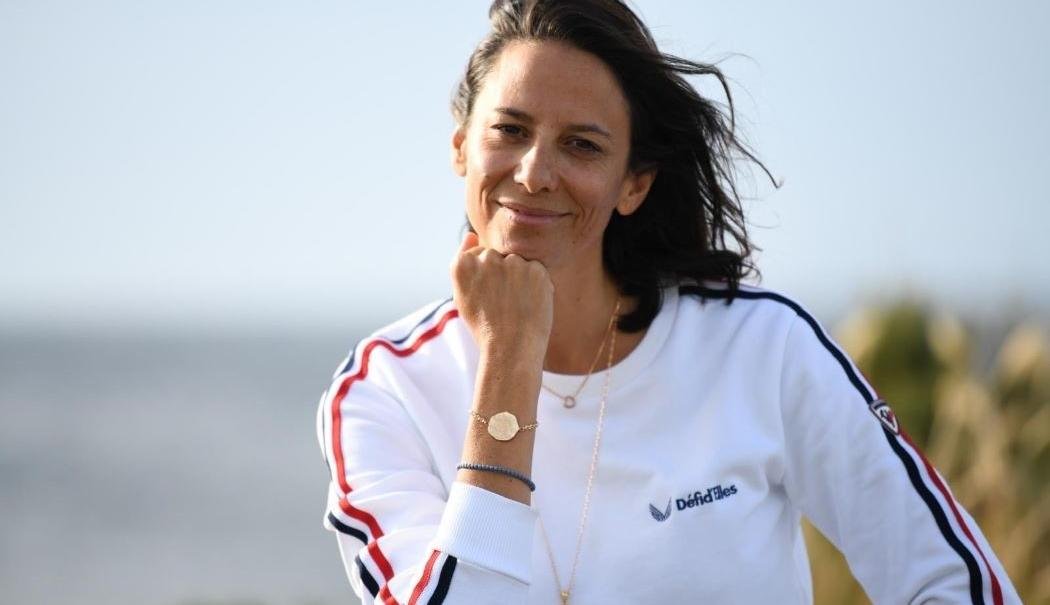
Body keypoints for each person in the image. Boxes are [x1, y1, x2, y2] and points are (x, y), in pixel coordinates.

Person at [315, 1, 1020, 603]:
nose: (534, 173)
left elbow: (955, 580)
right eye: (511, 130)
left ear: (634, 184)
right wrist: (509, 357)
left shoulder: (761, 347)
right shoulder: (384, 392)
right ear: (461, 147)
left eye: (581, 145)